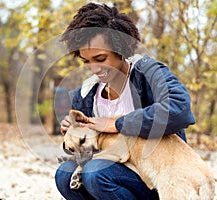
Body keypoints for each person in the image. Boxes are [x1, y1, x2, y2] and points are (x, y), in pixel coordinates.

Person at [55, 2, 195, 200]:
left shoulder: (149, 72)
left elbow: (180, 109)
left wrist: (117, 123)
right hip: (113, 175)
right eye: (86, 61)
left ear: (120, 49)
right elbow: (87, 150)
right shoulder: (86, 94)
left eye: (101, 58)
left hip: (161, 180)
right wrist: (73, 134)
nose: (94, 68)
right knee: (65, 174)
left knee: (95, 173)